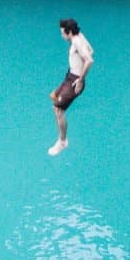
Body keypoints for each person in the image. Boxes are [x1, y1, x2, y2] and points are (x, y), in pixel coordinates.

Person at [48, 18, 94, 156]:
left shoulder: (76, 41)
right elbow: (91, 51)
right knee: (54, 99)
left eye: (63, 33)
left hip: (74, 81)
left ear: (69, 33)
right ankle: (62, 139)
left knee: (58, 110)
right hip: (70, 75)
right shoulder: (80, 36)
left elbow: (90, 60)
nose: (61, 35)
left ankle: (62, 142)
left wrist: (80, 80)